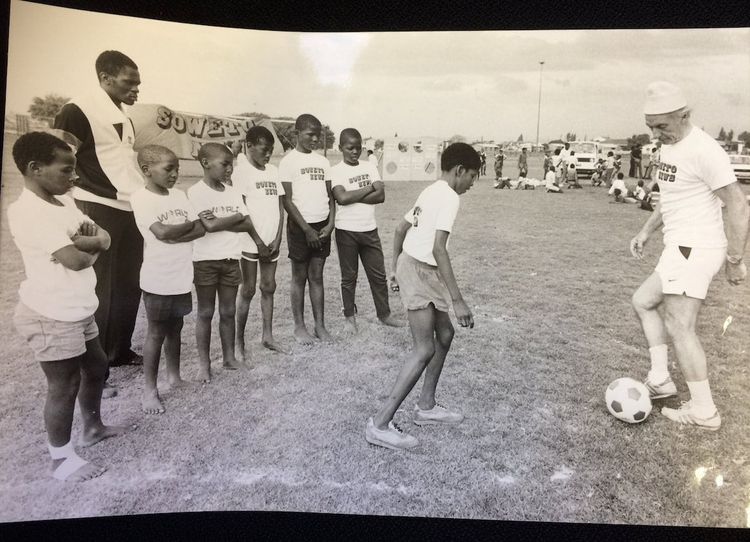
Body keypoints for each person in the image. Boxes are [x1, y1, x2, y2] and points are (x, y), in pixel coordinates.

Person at [9, 132, 133, 481]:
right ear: (35, 168)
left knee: (96, 366)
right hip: (51, 313)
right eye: (66, 170)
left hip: (77, 306)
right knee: (63, 385)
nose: (74, 177)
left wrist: (87, 242)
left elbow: (104, 237)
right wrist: (91, 246)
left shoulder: (63, 202)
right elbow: (76, 260)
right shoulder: (28, 211)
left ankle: (92, 429)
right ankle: (61, 460)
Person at [630, 81, 748, 430]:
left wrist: (735, 260)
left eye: (661, 126)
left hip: (695, 248)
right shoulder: (669, 148)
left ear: (684, 115)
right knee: (643, 302)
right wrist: (646, 231)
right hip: (677, 247)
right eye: (649, 126)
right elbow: (671, 197)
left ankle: (704, 411)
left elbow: (738, 205)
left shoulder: (705, 150)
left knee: (680, 326)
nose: (655, 134)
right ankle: (660, 380)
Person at [365, 142, 478, 451]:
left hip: (419, 270)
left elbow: (400, 229)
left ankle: (426, 407)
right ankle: (379, 424)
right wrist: (458, 300)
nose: (472, 183)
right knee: (424, 348)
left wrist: (394, 268)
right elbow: (439, 248)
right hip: (418, 271)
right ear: (459, 171)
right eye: (472, 176)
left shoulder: (431, 191)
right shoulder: (450, 197)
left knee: (445, 333)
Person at [54, 51, 146, 398]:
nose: (136, 89)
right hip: (97, 205)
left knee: (129, 284)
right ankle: (94, 371)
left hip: (129, 205)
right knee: (101, 289)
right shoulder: (76, 109)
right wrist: (69, 209)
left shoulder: (122, 113)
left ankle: (119, 351)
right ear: (105, 78)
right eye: (129, 82)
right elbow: (59, 158)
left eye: (138, 83)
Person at [131, 145, 205, 414]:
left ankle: (174, 377)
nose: (175, 174)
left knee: (176, 327)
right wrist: (184, 228)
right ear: (146, 170)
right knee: (156, 332)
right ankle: (150, 391)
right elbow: (161, 232)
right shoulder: (141, 198)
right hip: (158, 276)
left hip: (181, 274)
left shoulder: (179, 195)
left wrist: (177, 232)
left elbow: (201, 228)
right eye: (168, 169)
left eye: (177, 169)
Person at [331, 128, 404, 334]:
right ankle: (349, 318)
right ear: (340, 148)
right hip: (346, 230)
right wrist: (369, 188)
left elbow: (381, 196)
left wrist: (353, 195)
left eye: (358, 148)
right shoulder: (336, 170)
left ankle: (384, 315)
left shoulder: (369, 166)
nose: (355, 152)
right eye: (350, 148)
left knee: (378, 275)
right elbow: (341, 198)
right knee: (349, 277)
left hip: (369, 229)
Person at [188, 143, 250, 382]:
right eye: (224, 164)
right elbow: (209, 226)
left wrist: (226, 220)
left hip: (231, 258)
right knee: (205, 312)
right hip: (205, 261)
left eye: (231, 164)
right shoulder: (196, 192)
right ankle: (204, 365)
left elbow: (247, 223)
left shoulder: (232, 191)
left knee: (228, 311)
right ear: (205, 163)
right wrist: (235, 217)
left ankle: (229, 358)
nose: (229, 169)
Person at [231, 126, 287, 360]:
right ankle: (239, 343)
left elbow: (280, 206)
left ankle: (268, 336)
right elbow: (241, 211)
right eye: (264, 149)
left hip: (271, 240)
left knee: (269, 286)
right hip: (250, 241)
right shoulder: (241, 173)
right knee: (248, 289)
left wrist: (278, 237)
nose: (268, 154)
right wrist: (258, 241)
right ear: (250, 146)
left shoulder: (273, 171)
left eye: (271, 150)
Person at [279, 114, 335, 344]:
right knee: (299, 277)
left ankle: (320, 326)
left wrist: (330, 224)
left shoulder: (323, 162)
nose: (314, 139)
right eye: (310, 134)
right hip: (300, 227)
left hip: (322, 226)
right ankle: (299, 327)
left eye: (317, 135)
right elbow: (287, 200)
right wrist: (306, 230)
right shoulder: (288, 162)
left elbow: (330, 197)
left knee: (317, 277)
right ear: (296, 133)